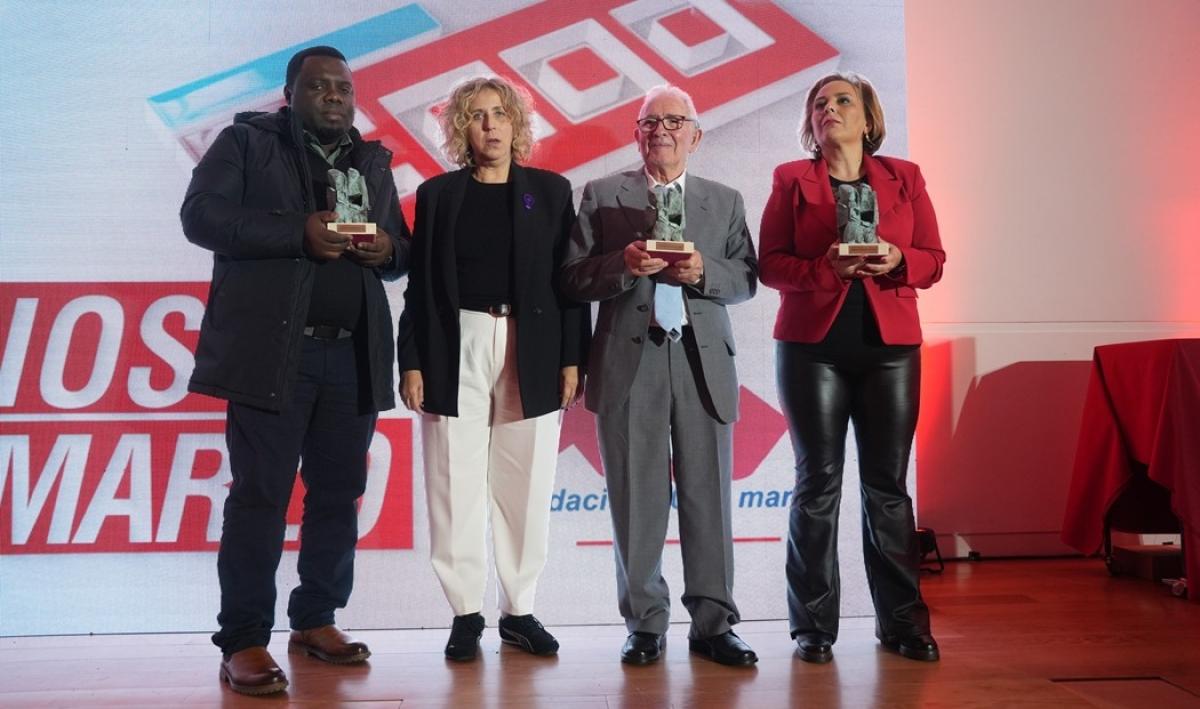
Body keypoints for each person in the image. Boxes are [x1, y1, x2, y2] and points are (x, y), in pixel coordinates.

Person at [180, 45, 411, 695]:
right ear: (291, 94)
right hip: (273, 353)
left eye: (344, 86)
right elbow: (202, 217)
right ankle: (245, 638)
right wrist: (298, 232)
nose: (335, 95)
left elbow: (398, 254)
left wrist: (387, 246)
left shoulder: (373, 160)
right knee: (260, 497)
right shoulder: (247, 144)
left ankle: (316, 617)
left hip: (354, 353)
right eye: (319, 86)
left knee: (339, 494)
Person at [560, 85, 758, 667]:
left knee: (709, 496)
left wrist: (704, 270)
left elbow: (746, 278)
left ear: (696, 135)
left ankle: (714, 623)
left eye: (676, 121)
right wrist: (620, 267)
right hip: (629, 359)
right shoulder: (601, 194)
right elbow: (571, 278)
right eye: (651, 122)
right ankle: (645, 623)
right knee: (635, 496)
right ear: (636, 133)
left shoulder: (724, 200)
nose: (662, 131)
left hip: (702, 359)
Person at [396, 76, 590, 662]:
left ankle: (519, 609)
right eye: (477, 116)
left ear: (516, 124)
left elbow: (569, 282)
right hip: (456, 341)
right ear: (462, 128)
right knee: (453, 482)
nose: (490, 125)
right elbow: (420, 287)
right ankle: (465, 613)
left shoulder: (552, 192)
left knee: (526, 483)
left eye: (500, 114)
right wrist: (412, 361)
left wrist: (572, 355)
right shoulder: (437, 195)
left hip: (531, 343)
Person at [758, 72, 946, 664]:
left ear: (868, 118)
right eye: (819, 103)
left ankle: (903, 623)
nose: (829, 109)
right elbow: (770, 265)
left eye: (842, 101)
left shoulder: (905, 178)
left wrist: (896, 258)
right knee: (818, 485)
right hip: (813, 348)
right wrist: (826, 270)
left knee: (888, 489)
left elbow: (934, 260)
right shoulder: (791, 179)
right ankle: (812, 627)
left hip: (891, 348)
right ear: (811, 123)